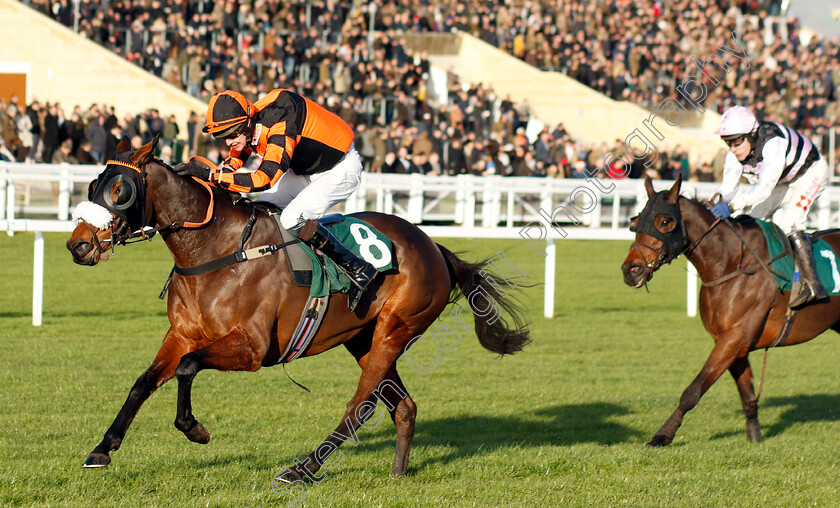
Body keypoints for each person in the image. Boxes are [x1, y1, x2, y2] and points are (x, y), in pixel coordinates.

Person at [174, 89, 377, 310]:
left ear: (247, 123)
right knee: (260, 211)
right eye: (222, 137)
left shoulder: (280, 123)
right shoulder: (252, 119)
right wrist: (228, 167)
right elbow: (246, 144)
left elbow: (264, 178)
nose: (227, 142)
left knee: (291, 219)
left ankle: (357, 268)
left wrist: (212, 175)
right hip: (304, 170)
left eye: (231, 135)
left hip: (339, 169)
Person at [711, 105, 829, 309]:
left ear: (752, 134)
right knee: (752, 221)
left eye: (737, 141)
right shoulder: (735, 153)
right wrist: (717, 204)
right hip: (783, 180)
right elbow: (728, 189)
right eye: (728, 142)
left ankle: (811, 284)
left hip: (811, 173)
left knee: (787, 224)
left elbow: (764, 189)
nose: (733, 148)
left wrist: (731, 206)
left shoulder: (773, 142)